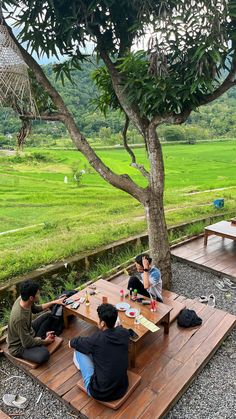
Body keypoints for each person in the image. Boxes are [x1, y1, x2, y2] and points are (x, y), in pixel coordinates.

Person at [69, 303, 129, 402]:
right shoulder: (124, 333)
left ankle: (84, 371)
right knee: (99, 350)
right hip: (122, 387)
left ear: (102, 323)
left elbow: (73, 343)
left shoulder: (96, 339)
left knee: (79, 349)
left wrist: (71, 342)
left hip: (100, 392)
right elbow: (119, 329)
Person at [7, 280, 65, 364]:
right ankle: (41, 340)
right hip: (19, 346)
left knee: (49, 315)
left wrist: (54, 302)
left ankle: (40, 339)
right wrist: (45, 342)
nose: (39, 294)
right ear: (31, 297)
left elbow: (36, 309)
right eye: (37, 293)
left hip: (29, 331)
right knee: (44, 355)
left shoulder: (23, 298)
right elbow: (26, 343)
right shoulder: (20, 318)